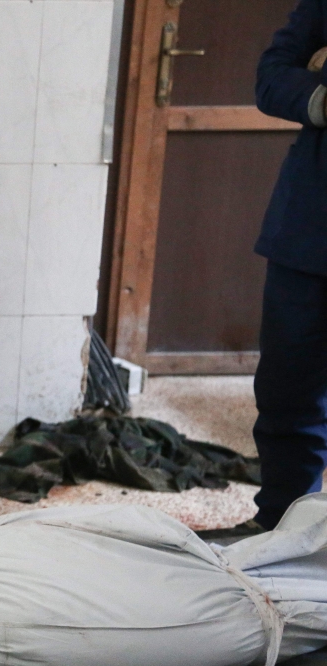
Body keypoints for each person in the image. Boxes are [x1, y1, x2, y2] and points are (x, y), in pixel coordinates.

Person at [250, 0, 327, 531]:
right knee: (286, 393)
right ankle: (279, 532)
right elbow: (272, 77)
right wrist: (322, 97)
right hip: (309, 228)